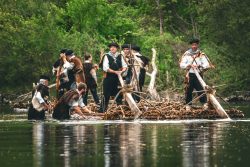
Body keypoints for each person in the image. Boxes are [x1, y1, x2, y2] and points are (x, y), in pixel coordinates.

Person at [179, 38, 210, 110]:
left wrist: (200, 66)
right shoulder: (186, 54)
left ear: (198, 45)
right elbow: (181, 64)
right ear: (191, 45)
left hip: (199, 74)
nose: (194, 46)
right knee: (188, 89)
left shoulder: (201, 54)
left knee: (201, 89)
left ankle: (204, 104)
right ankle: (188, 105)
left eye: (195, 45)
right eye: (192, 45)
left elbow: (207, 64)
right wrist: (188, 65)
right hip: (190, 75)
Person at [99, 42, 128, 112]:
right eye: (111, 47)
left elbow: (125, 66)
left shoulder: (120, 56)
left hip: (118, 79)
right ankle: (102, 111)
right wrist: (114, 72)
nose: (112, 48)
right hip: (108, 78)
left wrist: (121, 71)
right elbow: (105, 68)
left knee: (119, 95)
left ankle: (120, 111)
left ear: (116, 48)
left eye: (114, 47)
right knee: (106, 95)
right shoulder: (106, 56)